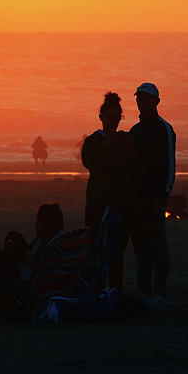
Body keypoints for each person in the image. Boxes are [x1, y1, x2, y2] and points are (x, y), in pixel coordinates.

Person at [81, 92, 138, 291]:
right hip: (98, 201)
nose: (112, 122)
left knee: (117, 250)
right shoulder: (93, 141)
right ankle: (95, 288)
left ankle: (115, 289)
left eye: (116, 118)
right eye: (109, 117)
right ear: (101, 117)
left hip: (121, 203)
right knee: (96, 247)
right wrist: (107, 145)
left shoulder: (126, 139)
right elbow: (90, 163)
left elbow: (134, 165)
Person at [129, 82, 176, 308]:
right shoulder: (135, 131)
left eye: (146, 98)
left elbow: (169, 164)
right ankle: (144, 288)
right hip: (137, 198)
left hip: (154, 197)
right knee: (140, 244)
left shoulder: (163, 128)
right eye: (139, 98)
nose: (141, 101)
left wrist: (164, 194)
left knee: (157, 243)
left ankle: (160, 290)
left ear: (156, 101)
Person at [0, 203, 64, 283]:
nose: (35, 223)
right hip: (27, 262)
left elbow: (27, 276)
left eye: (38, 220)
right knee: (13, 235)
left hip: (21, 275)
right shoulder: (57, 239)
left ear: (44, 224)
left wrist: (13, 259)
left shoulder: (46, 246)